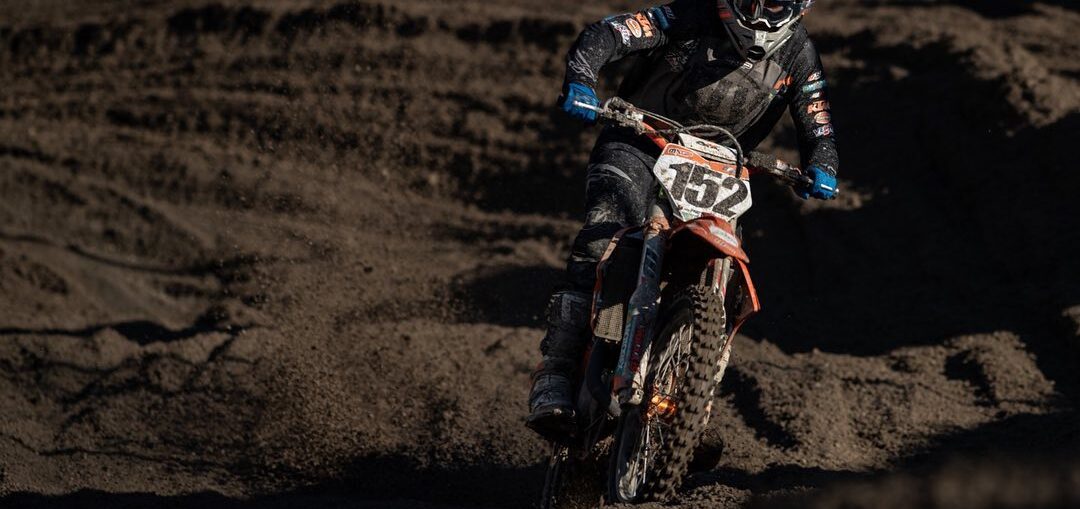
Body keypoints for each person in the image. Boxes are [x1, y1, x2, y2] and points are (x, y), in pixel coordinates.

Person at [526, 0, 840, 439]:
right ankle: (556, 373)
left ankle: (694, 407)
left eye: (774, 4)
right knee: (604, 237)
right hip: (640, 144)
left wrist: (822, 164)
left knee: (726, 274)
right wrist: (582, 77)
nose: (762, 15)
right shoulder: (691, 14)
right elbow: (612, 32)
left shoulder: (797, 52)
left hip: (718, 167)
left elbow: (816, 116)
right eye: (754, 1)